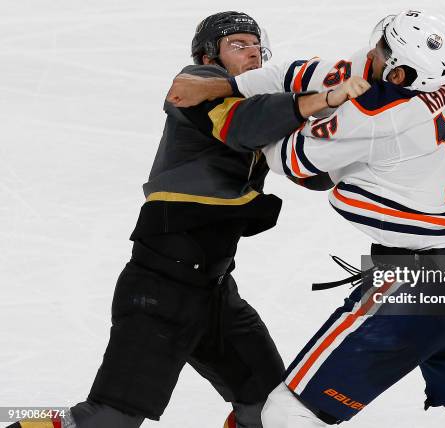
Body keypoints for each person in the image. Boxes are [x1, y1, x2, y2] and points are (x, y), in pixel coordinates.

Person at [166, 9, 445, 428]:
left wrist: (233, 108)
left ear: (399, 74)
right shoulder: (416, 79)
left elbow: (291, 159)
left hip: (412, 293)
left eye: (383, 50)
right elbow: (301, 73)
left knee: (289, 414)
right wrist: (228, 83)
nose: (371, 51)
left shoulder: (382, 116)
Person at [8, 11, 369, 428]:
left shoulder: (263, 108)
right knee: (108, 419)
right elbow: (243, 127)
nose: (252, 52)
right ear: (208, 56)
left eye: (256, 45)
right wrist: (323, 99)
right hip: (160, 288)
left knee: (272, 411)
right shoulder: (195, 86)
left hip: (214, 294)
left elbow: (313, 171)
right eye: (238, 45)